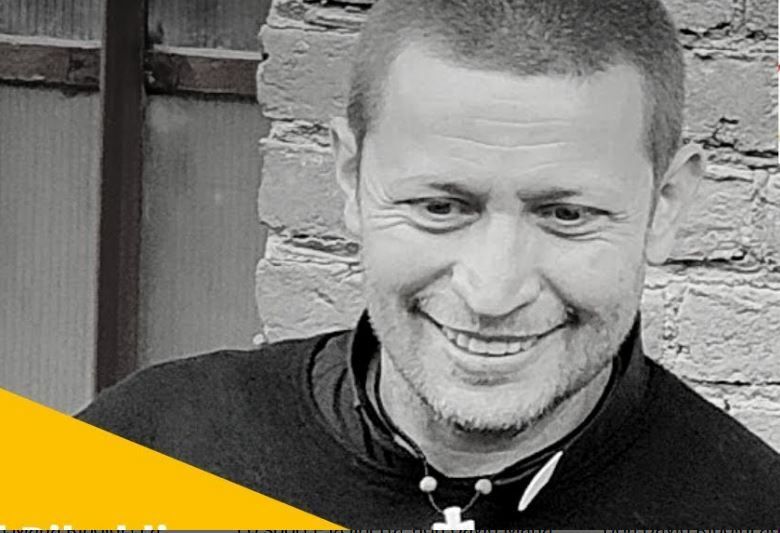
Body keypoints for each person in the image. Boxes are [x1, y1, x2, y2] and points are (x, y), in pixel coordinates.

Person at [77, 0, 780, 527]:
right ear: (351, 179)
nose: (493, 291)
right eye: (441, 207)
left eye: (566, 215)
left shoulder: (751, 511)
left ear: (666, 205)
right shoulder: (143, 456)